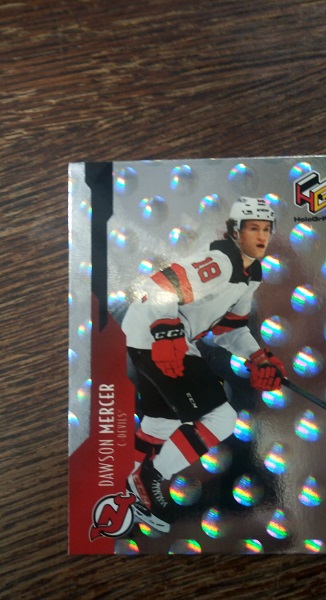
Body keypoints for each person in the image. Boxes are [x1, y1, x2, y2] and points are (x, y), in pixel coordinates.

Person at [122, 197, 286, 533]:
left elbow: (230, 329)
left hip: (156, 335)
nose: (261, 236)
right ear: (235, 232)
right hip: (157, 335)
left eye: (266, 229)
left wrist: (257, 357)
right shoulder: (221, 262)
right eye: (253, 228)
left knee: (161, 420)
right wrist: (166, 333)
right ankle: (151, 476)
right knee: (220, 418)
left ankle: (128, 487)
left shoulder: (251, 274)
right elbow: (160, 285)